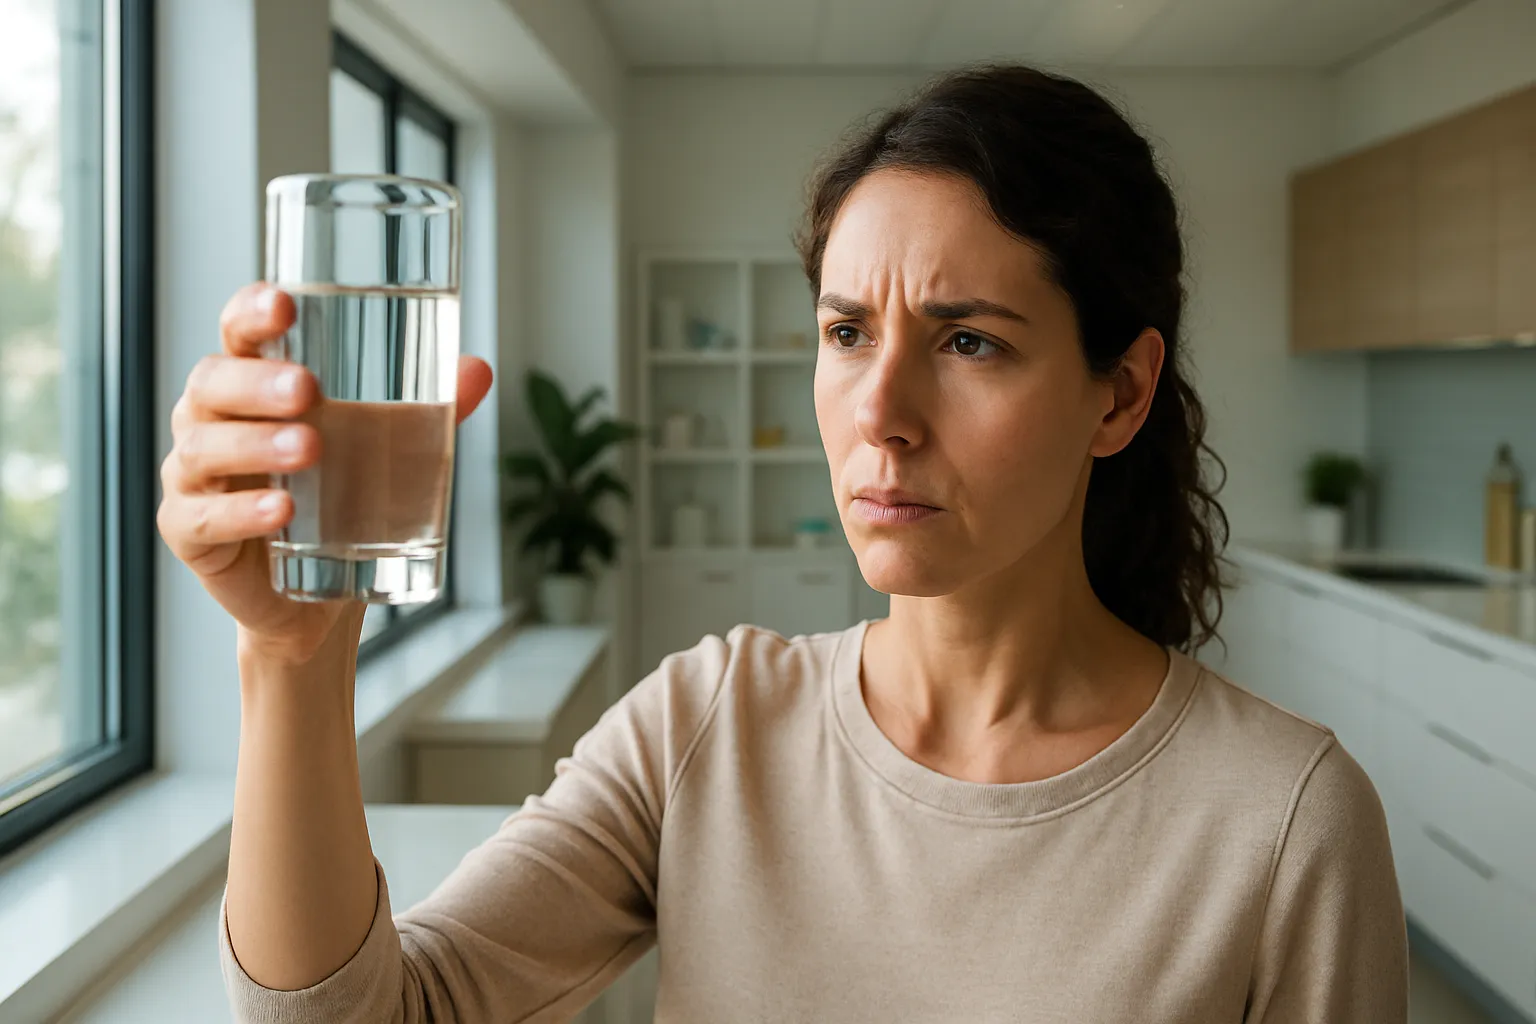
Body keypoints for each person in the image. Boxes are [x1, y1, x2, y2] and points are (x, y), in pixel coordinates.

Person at [160, 64, 1407, 1023]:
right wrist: (292, 655)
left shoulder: (1287, 821)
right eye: (848, 330)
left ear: (1120, 396)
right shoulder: (707, 726)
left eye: (968, 340)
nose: (881, 412)